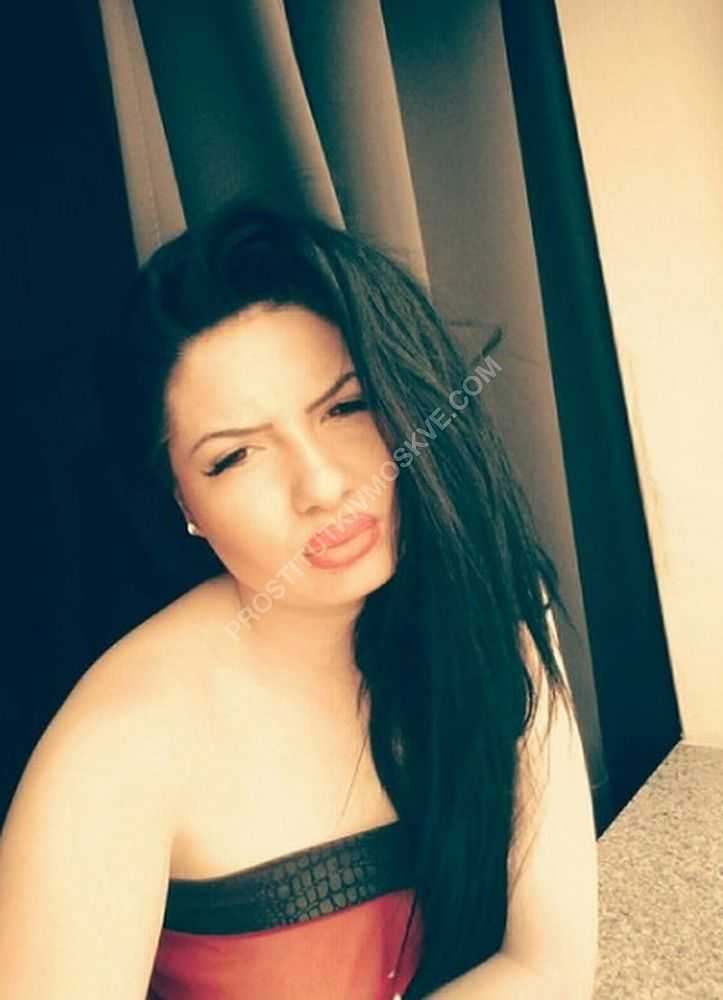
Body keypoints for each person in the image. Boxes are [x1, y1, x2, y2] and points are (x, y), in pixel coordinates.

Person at [0, 199, 598, 999]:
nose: (321, 485)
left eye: (345, 408)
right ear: (182, 501)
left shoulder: (490, 606)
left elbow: (547, 966)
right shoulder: (117, 752)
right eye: (236, 456)